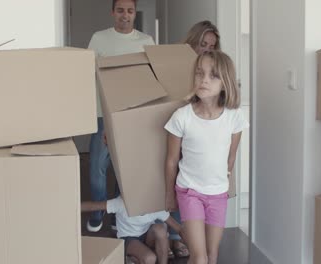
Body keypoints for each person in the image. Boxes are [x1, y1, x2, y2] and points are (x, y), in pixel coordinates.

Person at [164, 50, 249, 264]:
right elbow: (171, 161)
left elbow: (231, 156)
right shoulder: (182, 117)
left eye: (213, 75)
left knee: (212, 257)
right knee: (199, 259)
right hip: (189, 192)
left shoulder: (234, 117)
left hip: (218, 194)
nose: (204, 80)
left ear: (225, 82)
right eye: (199, 73)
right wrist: (168, 194)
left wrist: (224, 181)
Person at [87, 0, 155, 233]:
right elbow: (88, 73)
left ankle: (119, 213)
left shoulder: (146, 41)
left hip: (132, 115)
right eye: (120, 10)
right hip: (103, 113)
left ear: (135, 13)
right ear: (112, 13)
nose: (125, 15)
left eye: (129, 11)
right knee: (97, 167)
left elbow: (150, 79)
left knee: (124, 168)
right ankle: (98, 211)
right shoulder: (99, 38)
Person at [166, 20, 222, 259]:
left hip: (200, 138)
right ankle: (168, 234)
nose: (207, 49)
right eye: (203, 44)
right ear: (193, 42)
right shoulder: (179, 66)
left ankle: (180, 237)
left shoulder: (213, 75)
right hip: (177, 128)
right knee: (178, 181)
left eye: (212, 45)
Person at [82, 196, 183, 264]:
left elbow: (178, 228)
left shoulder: (154, 205)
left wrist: (195, 247)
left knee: (161, 228)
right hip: (128, 237)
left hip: (146, 234)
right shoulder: (122, 202)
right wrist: (70, 207)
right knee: (150, 258)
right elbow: (93, 206)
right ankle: (131, 257)